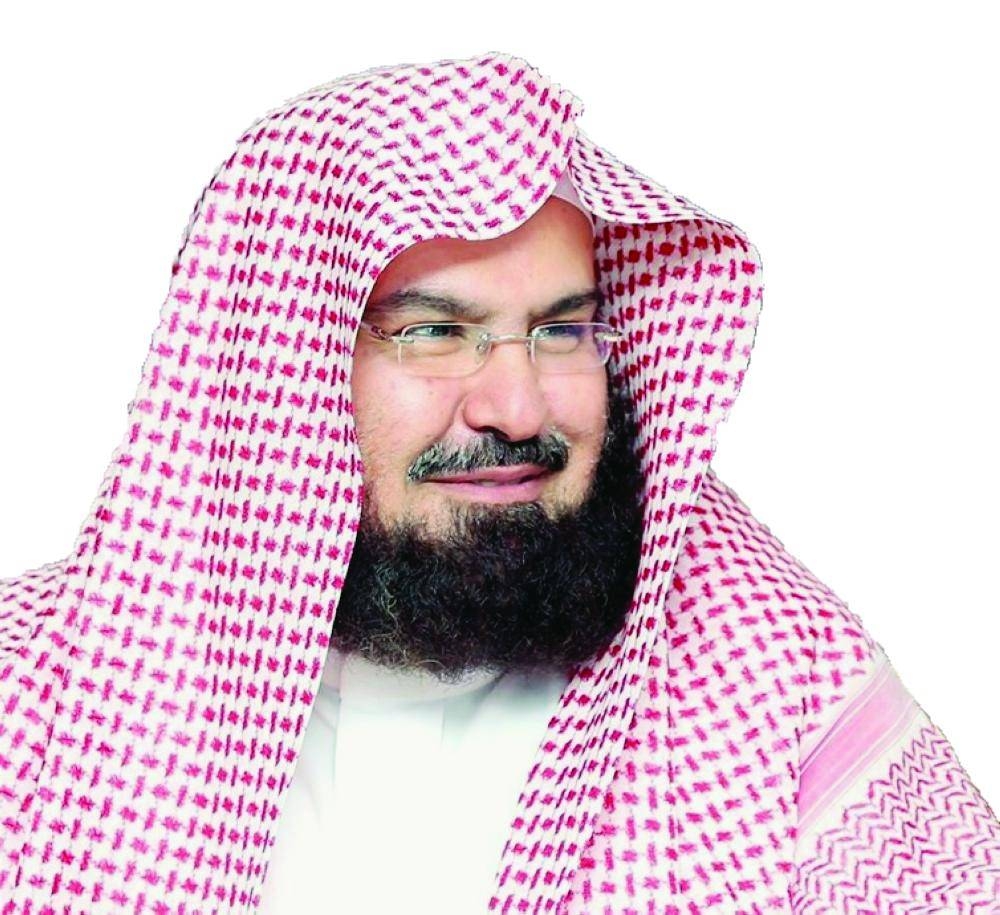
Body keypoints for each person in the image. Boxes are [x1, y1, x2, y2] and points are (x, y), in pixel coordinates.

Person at [0, 52, 997, 914]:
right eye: (436, 331)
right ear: (282, 365)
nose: (518, 409)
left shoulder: (775, 675)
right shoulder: (32, 694)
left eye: (561, 330)